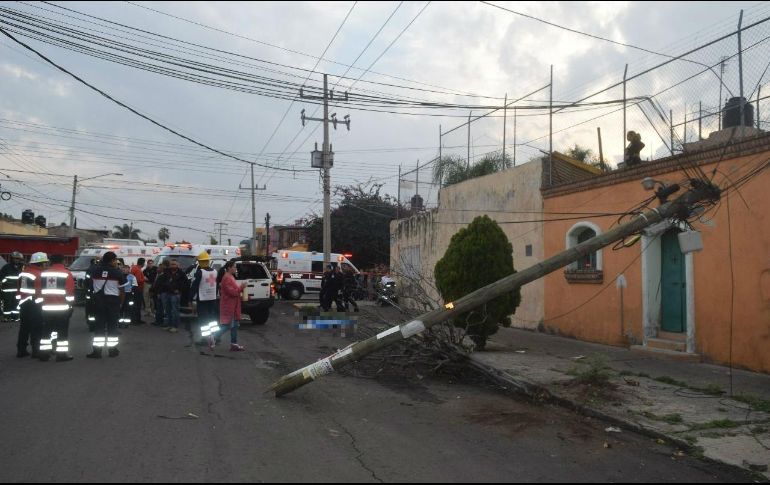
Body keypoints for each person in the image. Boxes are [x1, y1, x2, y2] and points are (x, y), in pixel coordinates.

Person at [87, 251, 126, 358]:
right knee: (112, 327)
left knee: (99, 327)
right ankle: (112, 350)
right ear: (112, 260)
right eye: (115, 260)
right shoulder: (117, 273)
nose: (116, 262)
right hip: (113, 302)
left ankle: (97, 352)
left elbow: (90, 286)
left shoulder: (94, 271)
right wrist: (121, 303)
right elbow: (122, 290)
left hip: (98, 302)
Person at [39, 254, 75, 362]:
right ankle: (61, 355)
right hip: (62, 308)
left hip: (46, 308)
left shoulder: (44, 273)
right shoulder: (66, 273)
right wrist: (70, 305)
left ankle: (44, 354)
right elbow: (69, 292)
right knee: (62, 333)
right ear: (62, 261)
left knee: (46, 332)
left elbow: (40, 290)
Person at [209, 260, 246, 352]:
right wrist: (241, 288)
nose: (236, 268)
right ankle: (214, 336)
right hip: (229, 305)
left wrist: (240, 291)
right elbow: (232, 292)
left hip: (233, 305)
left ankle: (234, 344)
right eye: (234, 267)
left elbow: (234, 291)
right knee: (229, 325)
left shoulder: (230, 277)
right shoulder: (227, 278)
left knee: (234, 325)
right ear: (229, 268)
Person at [16, 252, 46, 358]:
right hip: (35, 304)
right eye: (44, 262)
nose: (45, 265)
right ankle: (36, 351)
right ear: (40, 263)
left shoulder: (23, 273)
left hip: (24, 303)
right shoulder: (38, 274)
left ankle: (21, 350)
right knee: (36, 328)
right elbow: (39, 292)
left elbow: (18, 289)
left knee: (24, 327)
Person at [191, 252, 218, 342]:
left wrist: (190, 298)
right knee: (212, 319)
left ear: (200, 262)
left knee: (203, 320)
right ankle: (214, 337)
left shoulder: (200, 272)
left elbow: (194, 286)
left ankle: (205, 340)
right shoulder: (215, 272)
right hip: (213, 299)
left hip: (202, 300)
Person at [157, 259, 188, 333]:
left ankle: (175, 326)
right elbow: (162, 281)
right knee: (168, 310)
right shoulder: (167, 272)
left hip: (175, 294)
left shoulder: (181, 274)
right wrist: (160, 292)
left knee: (175, 310)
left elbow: (185, 284)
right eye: (171, 264)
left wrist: (179, 289)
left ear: (178, 265)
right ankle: (169, 325)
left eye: (174, 264)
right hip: (167, 293)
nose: (172, 266)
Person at [1, 251, 24, 321]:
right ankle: (6, 317)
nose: (17, 260)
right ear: (12, 258)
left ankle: (15, 317)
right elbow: (1, 277)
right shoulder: (6, 267)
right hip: (7, 290)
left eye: (18, 259)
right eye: (15, 258)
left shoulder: (21, 267)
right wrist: (6, 281)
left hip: (17, 290)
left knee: (16, 304)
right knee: (7, 304)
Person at [130, 258, 146, 324]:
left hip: (134, 288)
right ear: (142, 263)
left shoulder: (134, 268)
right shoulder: (138, 270)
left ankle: (136, 319)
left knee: (135, 305)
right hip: (137, 289)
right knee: (137, 305)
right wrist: (144, 279)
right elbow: (138, 280)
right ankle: (136, 320)